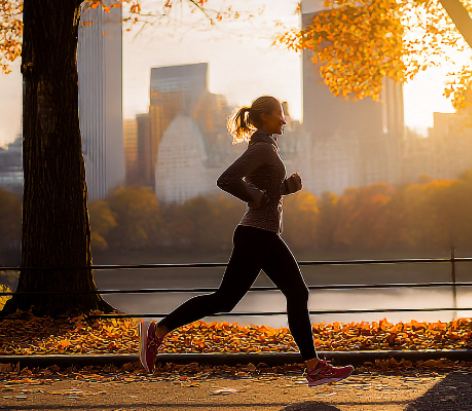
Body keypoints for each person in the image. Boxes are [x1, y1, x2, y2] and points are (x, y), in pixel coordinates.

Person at [138, 95, 354, 387]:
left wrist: (284, 189)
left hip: (264, 234)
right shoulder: (263, 148)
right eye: (279, 114)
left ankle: (314, 367)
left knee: (296, 294)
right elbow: (227, 179)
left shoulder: (267, 148)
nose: (284, 119)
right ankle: (157, 331)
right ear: (264, 117)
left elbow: (263, 188)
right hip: (255, 234)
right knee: (226, 299)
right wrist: (256, 197)